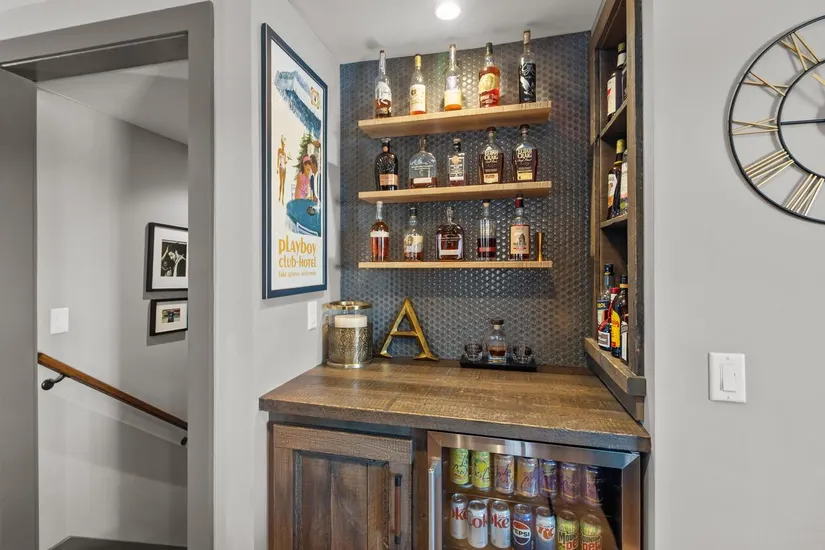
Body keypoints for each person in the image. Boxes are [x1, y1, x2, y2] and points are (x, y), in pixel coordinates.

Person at [277, 135, 291, 205]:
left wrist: (288, 159)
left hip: (284, 167)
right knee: (281, 183)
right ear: (281, 143)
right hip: (280, 167)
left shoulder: (285, 153)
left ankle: (282, 198)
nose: (283, 145)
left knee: (284, 183)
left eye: (284, 144)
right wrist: (277, 168)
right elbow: (278, 159)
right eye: (283, 144)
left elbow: (285, 162)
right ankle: (279, 196)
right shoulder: (279, 150)